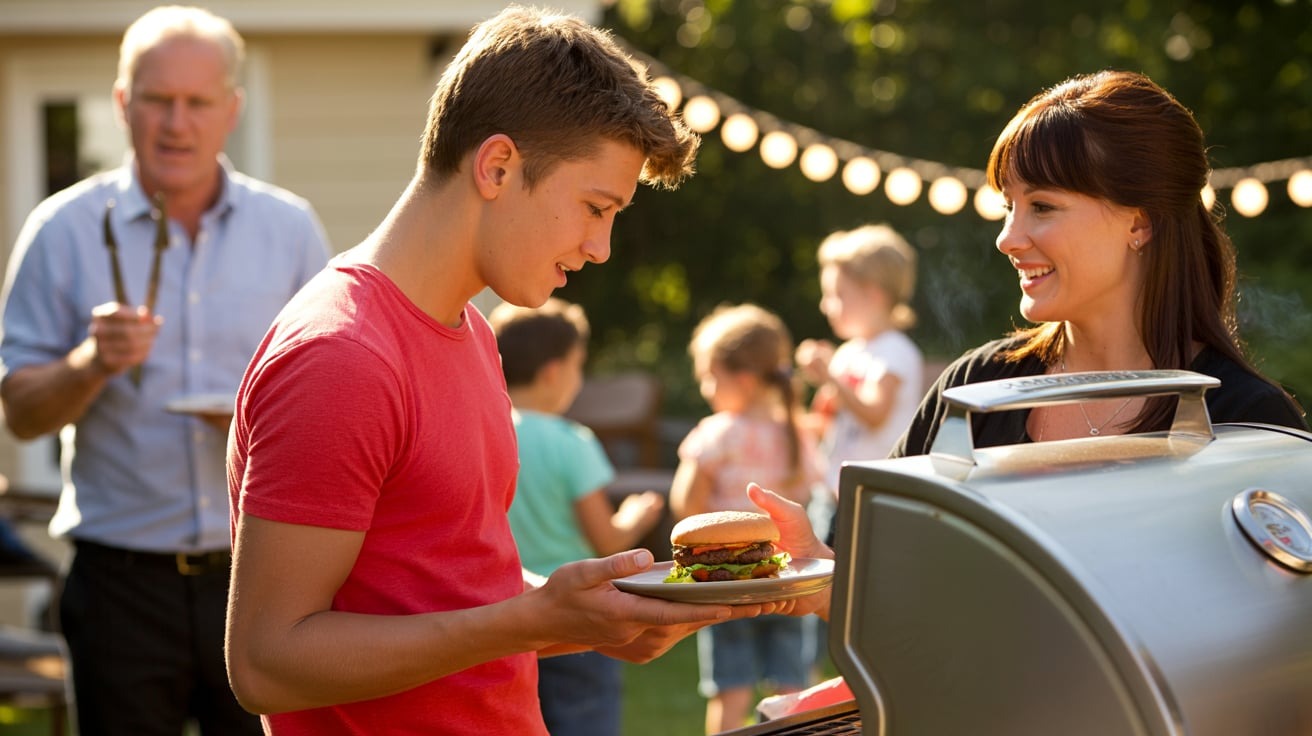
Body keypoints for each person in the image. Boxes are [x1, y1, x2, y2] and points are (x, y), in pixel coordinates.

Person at [224, 7, 793, 735]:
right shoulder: (340, 358)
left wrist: (589, 619)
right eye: (595, 207)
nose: (602, 248)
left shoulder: (473, 335)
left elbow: (449, 589)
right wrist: (526, 622)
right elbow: (267, 663)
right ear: (496, 166)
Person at [747, 68, 1311, 640]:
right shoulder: (974, 392)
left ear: (1138, 222)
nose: (1008, 237)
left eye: (1042, 206)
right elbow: (884, 593)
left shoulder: (1247, 423)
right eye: (1008, 206)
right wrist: (815, 567)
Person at [0, 6, 331, 735]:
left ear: (231, 110)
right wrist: (91, 364)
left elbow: (330, 392)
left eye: (197, 102)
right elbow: (20, 411)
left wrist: (258, 417)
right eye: (157, 99)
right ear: (123, 103)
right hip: (119, 582)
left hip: (264, 577)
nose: (176, 123)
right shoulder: (62, 231)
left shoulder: (290, 230)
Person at [490, 297, 666, 736]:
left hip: (506, 615)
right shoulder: (572, 441)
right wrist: (635, 516)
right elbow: (606, 540)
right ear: (553, 372)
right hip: (576, 617)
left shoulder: (487, 431)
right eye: (578, 366)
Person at [669, 303, 822, 734]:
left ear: (743, 379)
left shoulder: (718, 433)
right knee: (795, 687)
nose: (704, 388)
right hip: (783, 578)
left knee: (730, 690)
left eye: (709, 376)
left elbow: (684, 503)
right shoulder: (798, 433)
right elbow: (808, 497)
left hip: (727, 588)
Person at [794, 224, 924, 506]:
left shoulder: (895, 351)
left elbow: (875, 414)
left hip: (873, 495)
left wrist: (829, 376)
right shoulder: (848, 353)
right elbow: (826, 421)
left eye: (837, 295)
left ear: (873, 294)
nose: (825, 306)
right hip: (833, 490)